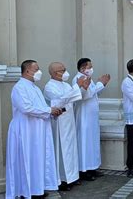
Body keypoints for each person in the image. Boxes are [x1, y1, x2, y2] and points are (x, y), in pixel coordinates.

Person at [6, 60, 63, 198]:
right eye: (36, 69)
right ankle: (25, 191)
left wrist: (53, 112)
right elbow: (26, 108)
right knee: (25, 159)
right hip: (25, 130)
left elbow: (42, 108)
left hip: (38, 130)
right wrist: (49, 110)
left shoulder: (36, 88)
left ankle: (37, 189)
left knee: (37, 159)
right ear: (27, 71)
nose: (39, 72)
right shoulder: (19, 88)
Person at [44, 62, 90, 191]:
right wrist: (77, 86)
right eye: (61, 70)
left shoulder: (66, 84)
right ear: (53, 73)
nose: (64, 72)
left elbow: (73, 98)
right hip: (59, 122)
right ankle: (62, 179)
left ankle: (72, 177)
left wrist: (83, 88)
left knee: (71, 149)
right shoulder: (49, 87)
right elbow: (60, 101)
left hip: (69, 120)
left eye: (64, 69)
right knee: (62, 150)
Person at [72, 58, 110, 181]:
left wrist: (99, 85)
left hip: (92, 117)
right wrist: (101, 84)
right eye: (90, 66)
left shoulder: (88, 79)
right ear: (83, 68)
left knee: (92, 142)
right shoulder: (78, 79)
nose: (91, 69)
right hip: (83, 117)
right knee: (85, 142)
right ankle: (84, 170)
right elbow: (84, 96)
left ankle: (93, 167)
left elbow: (93, 93)